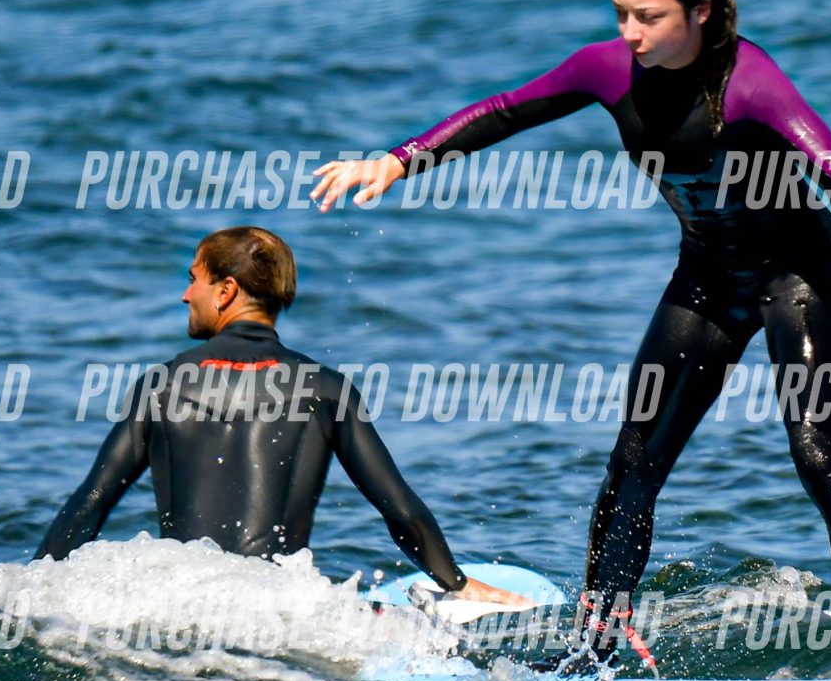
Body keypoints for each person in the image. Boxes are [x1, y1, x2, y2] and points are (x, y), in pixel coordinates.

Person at [310, 0, 831, 675]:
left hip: (798, 276)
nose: (629, 32)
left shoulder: (749, 80)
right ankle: (594, 650)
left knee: (817, 452)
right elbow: (507, 110)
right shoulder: (607, 69)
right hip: (708, 276)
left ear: (699, 11)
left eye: (648, 16)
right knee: (633, 459)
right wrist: (400, 160)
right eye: (620, 12)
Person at [37, 227, 523, 606]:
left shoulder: (161, 385)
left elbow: (88, 506)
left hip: (181, 606)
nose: (186, 295)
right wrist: (457, 583)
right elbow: (400, 510)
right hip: (276, 610)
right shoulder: (325, 389)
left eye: (193, 279)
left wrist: (31, 594)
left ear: (225, 290)